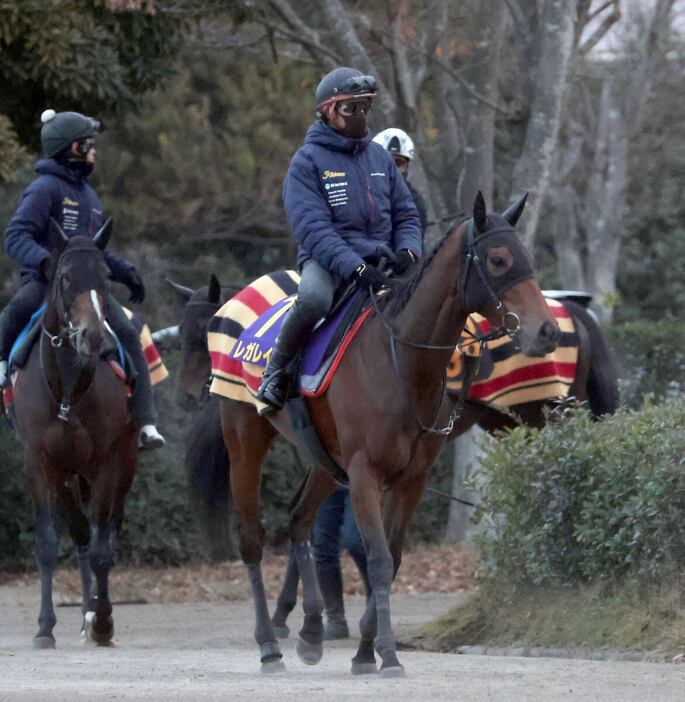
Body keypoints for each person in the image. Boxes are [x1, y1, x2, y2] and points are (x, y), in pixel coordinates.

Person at [256, 67, 423, 409]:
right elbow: (313, 229)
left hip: (384, 257)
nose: (361, 115)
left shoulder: (380, 158)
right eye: (352, 108)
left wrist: (409, 249)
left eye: (365, 106)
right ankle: (276, 373)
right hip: (329, 260)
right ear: (328, 110)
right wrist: (356, 268)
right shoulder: (306, 162)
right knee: (315, 299)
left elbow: (406, 212)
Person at [0, 109, 165, 450]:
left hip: (88, 288)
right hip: (48, 285)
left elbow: (95, 251)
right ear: (72, 148)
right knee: (14, 311)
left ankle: (147, 424)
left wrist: (126, 273)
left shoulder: (90, 197)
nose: (94, 151)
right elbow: (15, 236)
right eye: (88, 144)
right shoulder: (44, 189)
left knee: (130, 333)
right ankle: (4, 369)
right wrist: (44, 263)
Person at [372, 127, 428, 235]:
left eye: (398, 163)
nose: (392, 169)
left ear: (407, 166)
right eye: (386, 162)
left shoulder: (414, 203)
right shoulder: (356, 193)